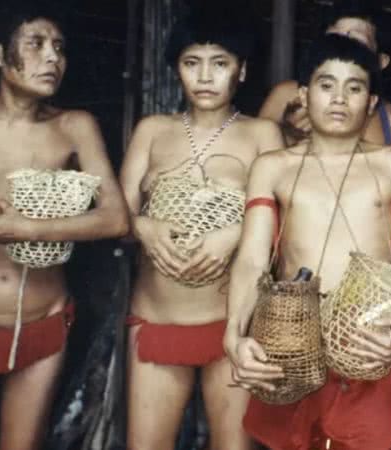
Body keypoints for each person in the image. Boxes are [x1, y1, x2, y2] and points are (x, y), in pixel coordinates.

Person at [225, 35, 391, 450]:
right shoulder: (273, 168)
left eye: (354, 88)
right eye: (326, 85)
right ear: (303, 95)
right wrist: (234, 334)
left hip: (366, 339)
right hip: (289, 339)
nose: (339, 99)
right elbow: (251, 258)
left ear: (371, 102)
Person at [119, 10, 283, 449]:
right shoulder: (153, 130)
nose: (205, 76)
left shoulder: (262, 134)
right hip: (158, 319)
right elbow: (118, 217)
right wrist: (144, 227)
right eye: (192, 62)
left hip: (233, 323)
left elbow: (285, 219)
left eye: (220, 62)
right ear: (177, 69)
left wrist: (236, 234)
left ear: (242, 70)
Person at [0, 5, 128, 449]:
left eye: (59, 48)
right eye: (36, 44)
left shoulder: (73, 127)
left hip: (41, 317)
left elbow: (115, 218)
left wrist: (26, 227)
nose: (52, 58)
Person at [259, 0, 391, 148]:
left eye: (356, 42)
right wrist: (288, 135)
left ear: (381, 61)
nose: (341, 48)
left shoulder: (390, 120)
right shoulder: (287, 94)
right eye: (333, 38)